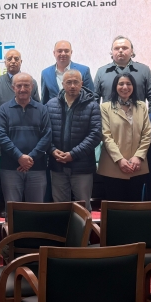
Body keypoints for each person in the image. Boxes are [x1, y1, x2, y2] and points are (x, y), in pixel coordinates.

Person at [45, 69, 101, 209]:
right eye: (68, 82)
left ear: (81, 84)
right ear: (62, 84)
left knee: (83, 207)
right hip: (57, 164)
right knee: (60, 207)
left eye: (76, 82)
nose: (72, 86)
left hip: (82, 166)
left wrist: (73, 154)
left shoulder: (92, 105)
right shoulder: (50, 105)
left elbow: (95, 135)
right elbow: (44, 133)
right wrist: (52, 150)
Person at [0, 73, 52, 203]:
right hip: (10, 168)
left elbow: (47, 136)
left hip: (37, 167)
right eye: (19, 85)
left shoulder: (42, 109)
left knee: (36, 209)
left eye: (26, 85)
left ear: (32, 87)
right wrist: (19, 157)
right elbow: (1, 136)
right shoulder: (3, 110)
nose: (22, 89)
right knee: (12, 208)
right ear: (13, 87)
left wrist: (30, 158)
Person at [97, 73, 151, 202]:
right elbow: (106, 136)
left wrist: (138, 157)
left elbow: (147, 134)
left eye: (128, 84)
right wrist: (120, 159)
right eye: (121, 84)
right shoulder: (105, 107)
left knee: (134, 207)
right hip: (112, 166)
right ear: (115, 87)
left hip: (136, 166)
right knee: (114, 207)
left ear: (133, 86)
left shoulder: (142, 107)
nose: (125, 87)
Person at [93, 36, 151, 104]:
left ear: (132, 51)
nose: (120, 50)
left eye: (124, 48)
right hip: (108, 111)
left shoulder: (144, 71)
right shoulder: (102, 72)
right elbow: (94, 100)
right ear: (112, 52)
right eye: (116, 48)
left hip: (137, 111)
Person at [0, 49, 39, 118]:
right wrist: (3, 121)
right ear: (5, 63)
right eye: (9, 59)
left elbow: (37, 107)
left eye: (16, 59)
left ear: (21, 62)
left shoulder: (31, 82)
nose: (13, 61)